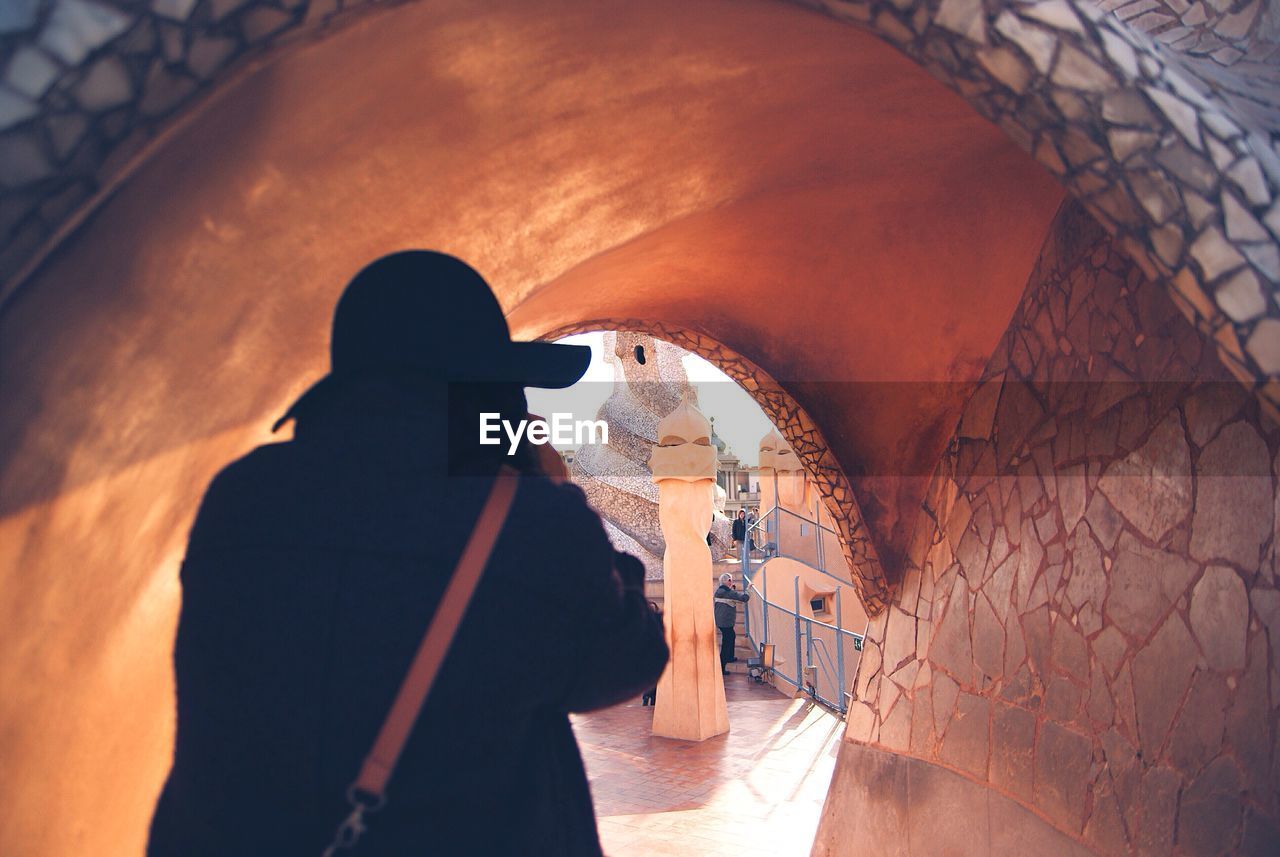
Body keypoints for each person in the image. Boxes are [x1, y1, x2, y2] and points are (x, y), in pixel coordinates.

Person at [147, 251, 669, 857]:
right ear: (484, 394)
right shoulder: (523, 521)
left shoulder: (239, 498)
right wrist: (555, 502)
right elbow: (624, 663)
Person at [714, 572, 749, 674]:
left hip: (720, 621)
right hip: (726, 623)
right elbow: (744, 598)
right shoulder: (729, 593)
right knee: (726, 643)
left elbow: (729, 597)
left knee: (731, 636)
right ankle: (722, 667)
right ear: (728, 581)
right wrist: (749, 589)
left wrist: (731, 589)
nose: (732, 581)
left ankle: (729, 657)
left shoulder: (719, 591)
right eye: (731, 580)